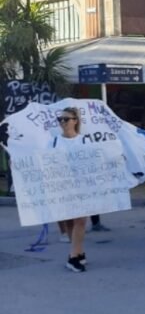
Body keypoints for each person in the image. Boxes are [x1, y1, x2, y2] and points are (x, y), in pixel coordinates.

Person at [54, 107, 89, 272]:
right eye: (60, 119)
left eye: (66, 119)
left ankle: (73, 257)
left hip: (82, 187)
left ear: (75, 121)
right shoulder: (54, 142)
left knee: (81, 220)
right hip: (63, 186)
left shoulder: (84, 141)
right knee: (69, 221)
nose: (62, 122)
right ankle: (78, 251)